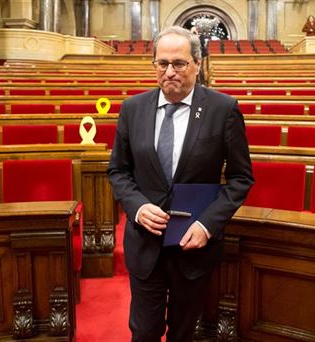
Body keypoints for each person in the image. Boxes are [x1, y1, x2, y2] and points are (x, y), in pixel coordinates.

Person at [107, 26, 253, 341]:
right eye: (162, 63)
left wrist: (207, 225)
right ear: (154, 66)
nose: (170, 71)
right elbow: (118, 171)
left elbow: (241, 178)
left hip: (193, 248)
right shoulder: (132, 109)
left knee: (183, 333)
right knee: (144, 332)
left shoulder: (223, 109)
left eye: (179, 63)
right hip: (146, 243)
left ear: (197, 64)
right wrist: (137, 206)